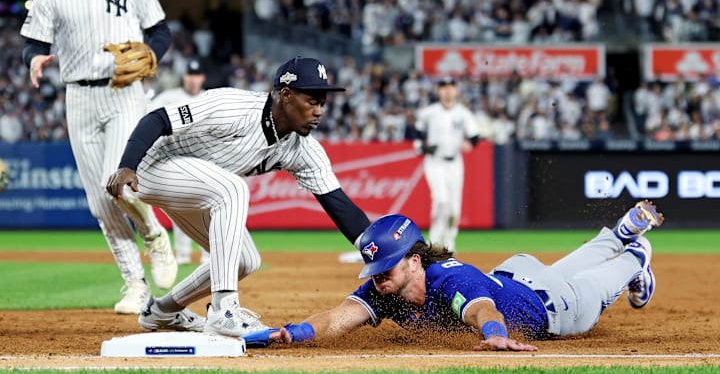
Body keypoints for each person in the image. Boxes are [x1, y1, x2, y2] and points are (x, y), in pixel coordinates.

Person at [105, 56, 372, 337]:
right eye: (312, 101)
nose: (319, 111)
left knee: (245, 261)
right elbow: (158, 118)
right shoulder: (233, 106)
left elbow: (341, 207)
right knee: (232, 189)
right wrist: (128, 165)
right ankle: (224, 310)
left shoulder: (303, 149)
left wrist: (385, 255)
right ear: (286, 94)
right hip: (151, 166)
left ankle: (161, 311)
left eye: (322, 104)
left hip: (197, 186)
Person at [248, 200, 664, 351]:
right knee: (567, 270)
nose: (377, 278)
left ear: (414, 261)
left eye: (385, 268)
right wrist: (295, 333)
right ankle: (618, 234)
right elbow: (341, 316)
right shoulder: (386, 288)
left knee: (596, 285)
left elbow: (480, 308)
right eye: (373, 270)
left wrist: (494, 333)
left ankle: (635, 251)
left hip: (557, 309)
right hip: (518, 275)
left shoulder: (449, 278)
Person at [20, 0, 177, 314]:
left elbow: (159, 31)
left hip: (124, 92)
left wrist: (153, 53)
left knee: (116, 181)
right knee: (100, 205)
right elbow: (34, 43)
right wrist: (33, 58)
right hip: (78, 97)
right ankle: (136, 283)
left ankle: (153, 234)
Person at [148, 58, 211, 265]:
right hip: (175, 159)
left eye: (197, 75)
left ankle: (209, 254)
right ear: (184, 77)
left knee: (206, 208)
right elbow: (148, 116)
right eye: (190, 75)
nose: (193, 79)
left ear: (203, 77)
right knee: (180, 208)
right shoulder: (169, 97)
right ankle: (182, 254)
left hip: (203, 159)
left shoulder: (210, 98)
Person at [414, 76, 481, 253]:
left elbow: (475, 135)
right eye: (443, 87)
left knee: (454, 209)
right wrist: (421, 146)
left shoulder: (463, 113)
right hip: (435, 162)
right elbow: (416, 133)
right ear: (438, 91)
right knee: (441, 200)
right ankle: (434, 243)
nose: (447, 90)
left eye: (451, 86)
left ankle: (449, 243)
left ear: (456, 90)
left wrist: (471, 144)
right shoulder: (429, 112)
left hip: (455, 162)